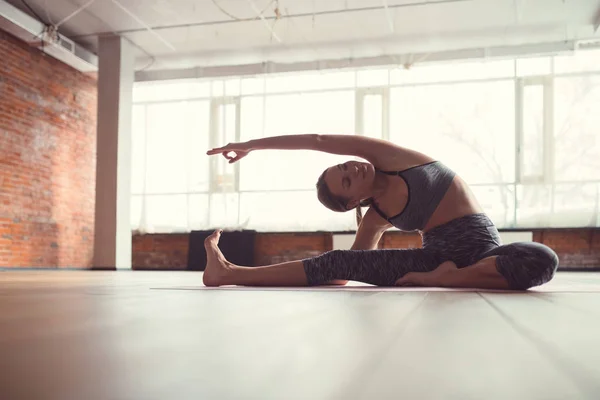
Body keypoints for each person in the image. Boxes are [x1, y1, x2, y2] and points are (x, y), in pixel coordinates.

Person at [204, 134, 558, 290]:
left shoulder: (393, 161)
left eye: (344, 166)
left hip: (484, 253)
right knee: (336, 260)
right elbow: (351, 268)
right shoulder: (376, 217)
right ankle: (228, 272)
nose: (351, 169)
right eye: (345, 181)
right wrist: (342, 266)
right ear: (352, 203)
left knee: (542, 259)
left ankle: (451, 279)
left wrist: (249, 144)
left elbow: (318, 140)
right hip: (433, 261)